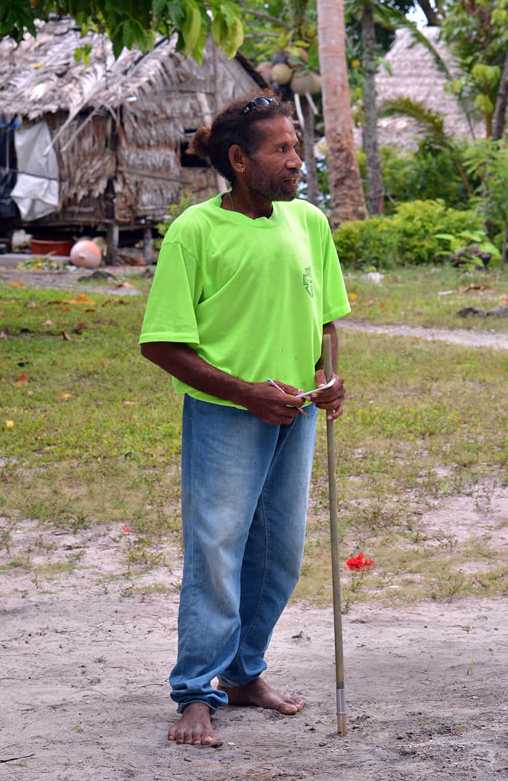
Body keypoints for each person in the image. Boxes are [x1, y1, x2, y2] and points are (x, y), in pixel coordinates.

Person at [139, 93, 350, 746]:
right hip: (225, 417)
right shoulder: (195, 231)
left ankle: (242, 673)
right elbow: (161, 343)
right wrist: (243, 392)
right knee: (217, 551)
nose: (297, 161)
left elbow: (324, 319)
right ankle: (195, 692)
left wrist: (327, 378)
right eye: (281, 149)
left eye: (297, 148)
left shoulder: (308, 222)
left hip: (297, 415)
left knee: (278, 556)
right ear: (238, 159)